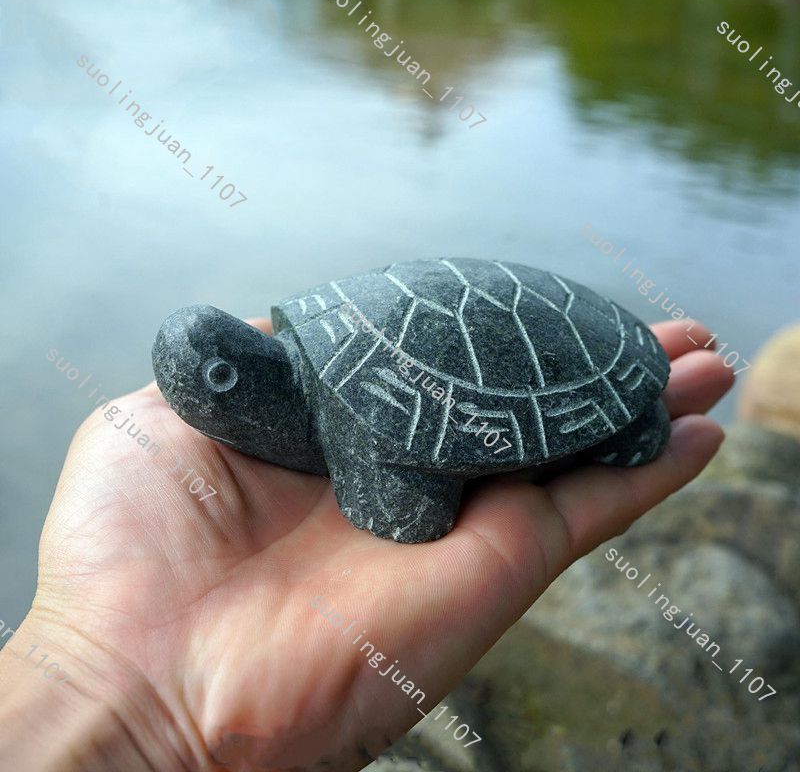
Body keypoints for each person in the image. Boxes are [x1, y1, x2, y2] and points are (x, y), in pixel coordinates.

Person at [0, 319, 732, 771]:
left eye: (220, 379)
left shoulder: (342, 401)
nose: (201, 399)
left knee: (629, 437)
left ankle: (627, 413)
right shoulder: (300, 394)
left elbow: (412, 509)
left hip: (553, 349)